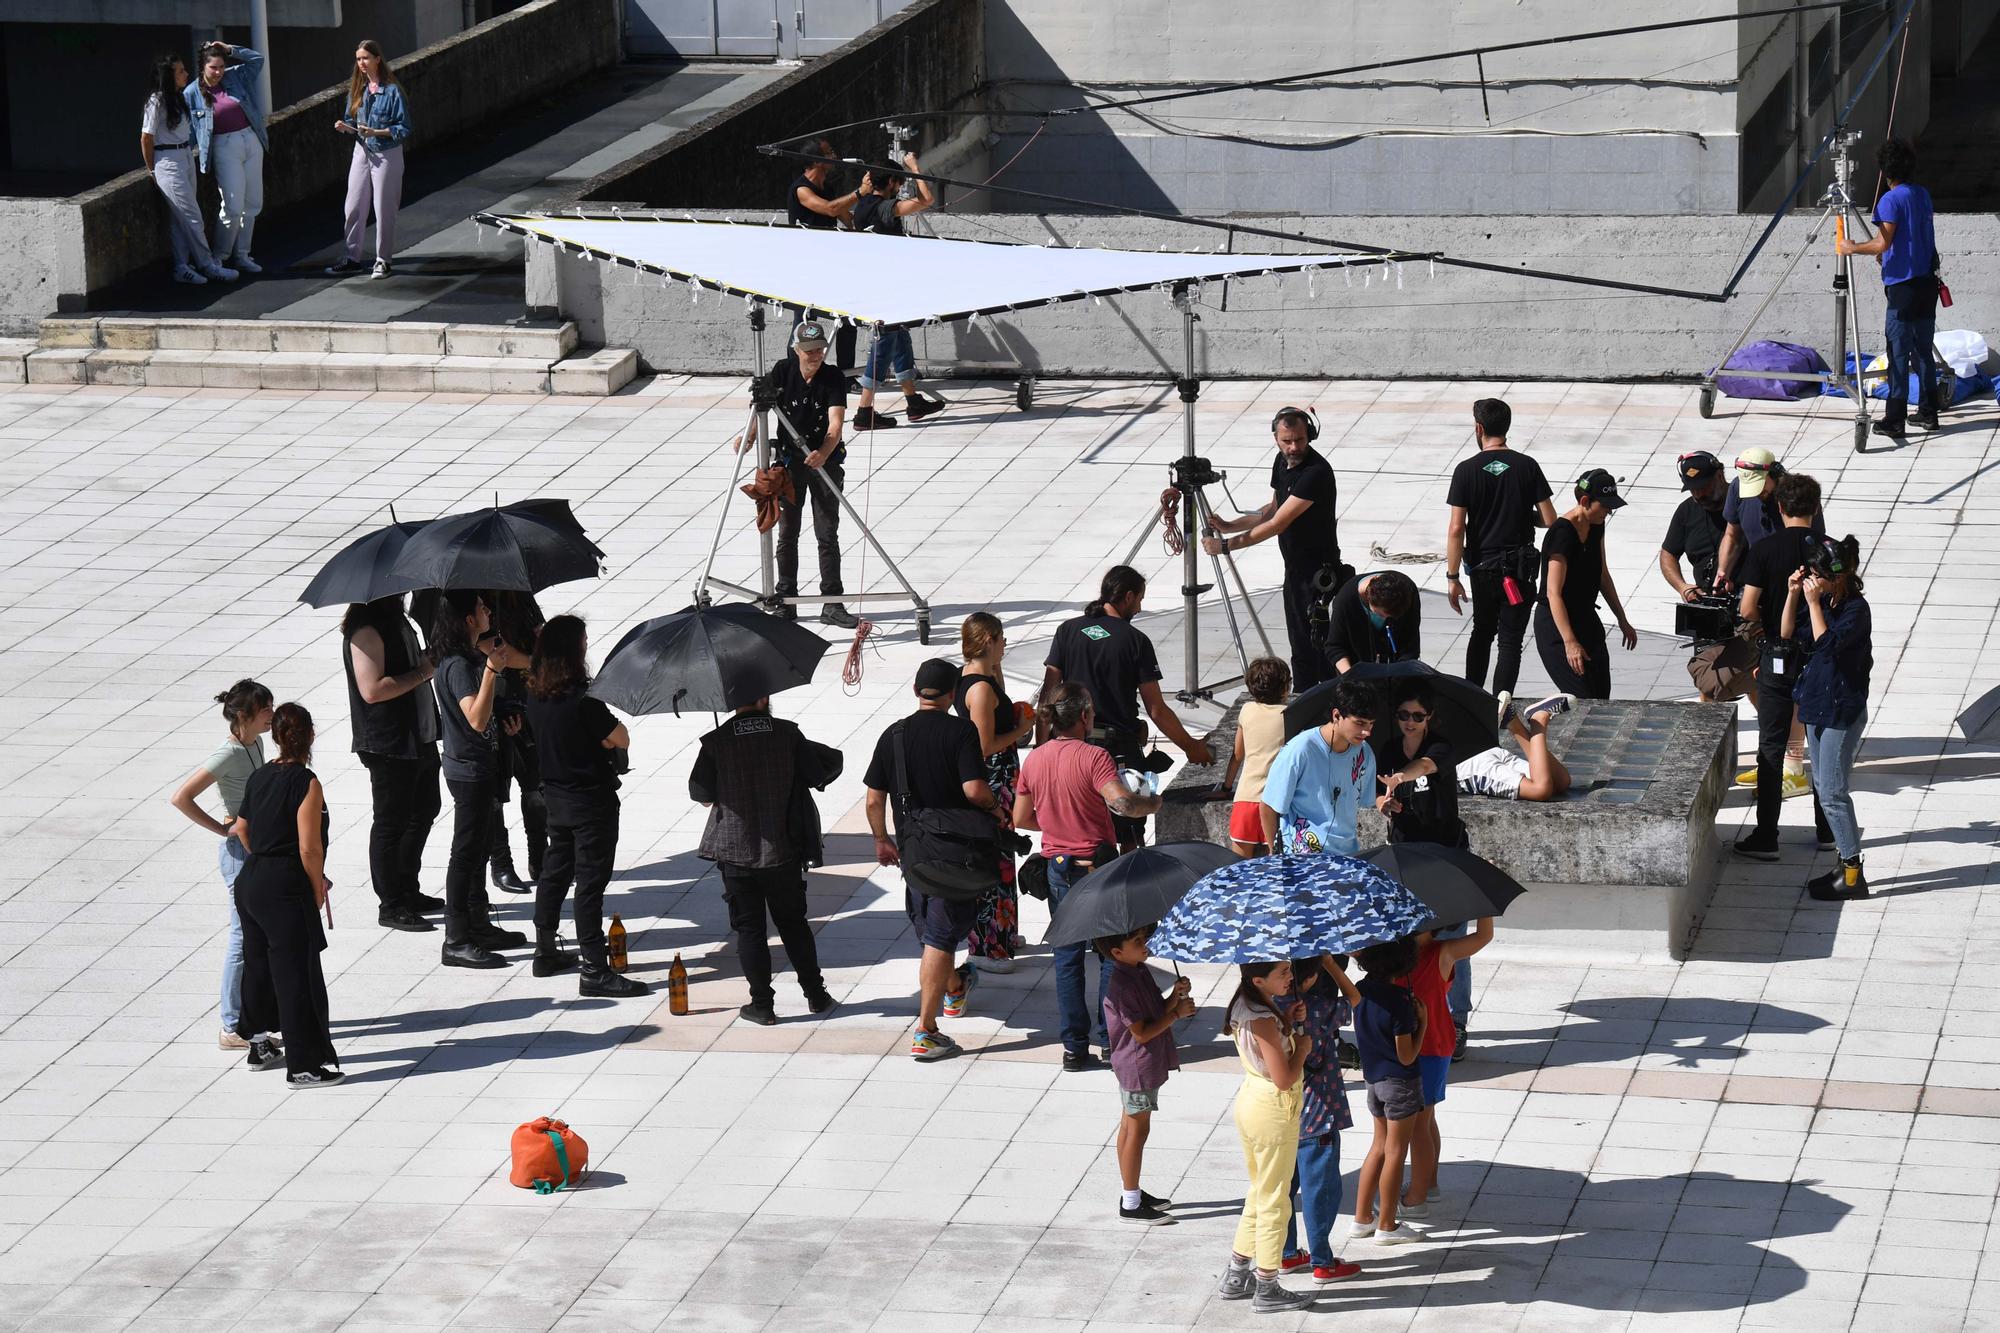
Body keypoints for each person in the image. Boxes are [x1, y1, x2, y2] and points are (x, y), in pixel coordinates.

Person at [1015, 683, 1162, 1072]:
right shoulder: (1094, 757)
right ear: (1083, 716)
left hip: (1057, 866)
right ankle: (1110, 1039)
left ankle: (1073, 1049)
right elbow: (1121, 802)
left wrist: (1054, 823)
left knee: (1066, 959)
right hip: (1096, 867)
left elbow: (1021, 818)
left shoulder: (1035, 759)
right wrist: (1151, 803)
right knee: (1111, 954)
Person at [865, 659, 998, 1061]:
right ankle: (926, 1029)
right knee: (940, 937)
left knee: (930, 930)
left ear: (916, 691)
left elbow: (874, 798)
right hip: (955, 852)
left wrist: (882, 839)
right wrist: (995, 807)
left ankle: (955, 988)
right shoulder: (960, 731)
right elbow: (974, 790)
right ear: (953, 694)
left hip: (914, 851)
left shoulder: (895, 734)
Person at [1040, 566, 1215, 850]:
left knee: (1075, 829)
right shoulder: (1135, 641)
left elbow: (1047, 696)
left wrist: (1042, 749)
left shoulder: (1067, 631)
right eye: (1139, 600)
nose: (1140, 607)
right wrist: (1190, 746)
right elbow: (1156, 709)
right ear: (1128, 596)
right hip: (1117, 752)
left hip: (1070, 748)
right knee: (1129, 835)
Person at [691, 698, 843, 1023]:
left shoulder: (716, 741)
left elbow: (701, 794)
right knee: (793, 925)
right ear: (764, 700)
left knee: (750, 930)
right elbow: (817, 774)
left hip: (734, 852)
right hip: (782, 848)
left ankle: (762, 1005)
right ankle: (815, 994)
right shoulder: (788, 734)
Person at [521, 615, 646, 998]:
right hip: (591, 802)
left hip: (555, 799)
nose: (588, 644)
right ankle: (594, 967)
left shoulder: (535, 692)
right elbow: (620, 737)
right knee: (590, 884)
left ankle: (545, 950)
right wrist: (607, 740)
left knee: (555, 873)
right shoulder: (583, 699)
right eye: (584, 640)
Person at [230, 704, 341, 1088]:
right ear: (310, 735)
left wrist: (263, 861)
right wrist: (315, 889)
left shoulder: (260, 776)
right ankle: (304, 1066)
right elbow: (310, 848)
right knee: (298, 976)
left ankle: (258, 1044)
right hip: (285, 885)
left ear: (275, 736)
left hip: (252, 880)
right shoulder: (306, 782)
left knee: (258, 964)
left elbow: (242, 829)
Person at [1201, 407, 1345, 691]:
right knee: (1300, 646)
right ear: (1276, 439)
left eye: (1300, 440)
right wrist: (1231, 525)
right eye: (1287, 441)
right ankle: (1303, 699)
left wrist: (1226, 546)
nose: (1294, 447)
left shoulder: (1315, 473)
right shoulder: (1282, 463)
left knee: (1320, 646)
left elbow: (1279, 523)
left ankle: (1326, 701)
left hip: (1318, 575)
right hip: (1294, 571)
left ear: (1310, 436)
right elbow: (1274, 508)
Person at [1733, 473, 1835, 862]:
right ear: (1816, 507)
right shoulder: (1830, 550)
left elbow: (1747, 608)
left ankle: (1767, 835)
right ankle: (1827, 829)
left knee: (1772, 748)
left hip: (1777, 656)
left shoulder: (1763, 549)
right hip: (1820, 657)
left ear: (1779, 507)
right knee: (1821, 746)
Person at [734, 320, 858, 630]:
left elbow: (835, 424)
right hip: (789, 464)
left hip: (823, 462)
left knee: (827, 533)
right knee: (787, 532)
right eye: (808, 352)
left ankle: (832, 601)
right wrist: (748, 438)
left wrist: (825, 453)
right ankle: (785, 599)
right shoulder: (782, 371)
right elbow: (761, 411)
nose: (814, 357)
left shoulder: (831, 378)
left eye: (819, 351)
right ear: (796, 350)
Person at [169, 680, 273, 1050]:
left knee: (257, 934)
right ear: (244, 716)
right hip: (238, 853)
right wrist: (221, 828)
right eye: (265, 711)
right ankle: (231, 1026)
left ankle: (254, 1013)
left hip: (257, 846)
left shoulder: (256, 743)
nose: (271, 717)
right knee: (241, 936)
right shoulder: (226, 754)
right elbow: (181, 797)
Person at [431, 591, 531, 969]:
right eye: (481, 608)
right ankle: (456, 939)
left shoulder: (469, 656)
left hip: (481, 764)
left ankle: (477, 923)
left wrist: (505, 717)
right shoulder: (458, 664)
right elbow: (473, 717)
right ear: (468, 619)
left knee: (479, 847)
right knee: (466, 854)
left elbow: (484, 714)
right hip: (468, 770)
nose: (488, 611)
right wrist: (493, 670)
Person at [1214, 959, 1316, 1313]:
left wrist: (1290, 1021)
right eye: (1283, 973)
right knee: (1276, 1200)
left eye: (1289, 970)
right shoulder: (1261, 1017)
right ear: (1259, 979)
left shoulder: (1249, 1004)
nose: (1291, 976)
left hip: (1253, 1103)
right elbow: (1284, 1078)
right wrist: (1302, 1048)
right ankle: (1268, 1285)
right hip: (1273, 1110)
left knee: (1260, 1192)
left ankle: (1237, 1272)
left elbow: (1267, 1047)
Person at [342, 595, 443, 933]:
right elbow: (372, 690)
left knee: (426, 809)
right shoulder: (366, 630)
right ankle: (391, 902)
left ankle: (407, 887)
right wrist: (422, 671)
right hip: (389, 743)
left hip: (420, 735)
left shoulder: (398, 621)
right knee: (391, 822)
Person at [1444, 398, 1556, 696]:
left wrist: (1452, 578)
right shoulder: (1527, 466)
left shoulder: (1465, 470)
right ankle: (1501, 704)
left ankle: (1471, 699)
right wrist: (1520, 512)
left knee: (1482, 632)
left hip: (1483, 569)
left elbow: (1457, 529)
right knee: (1510, 642)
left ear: (1478, 428)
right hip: (1519, 570)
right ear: (1506, 427)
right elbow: (1549, 519)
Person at [1836, 137, 1940, 440]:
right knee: (1923, 351)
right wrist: (1887, 252)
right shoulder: (1921, 194)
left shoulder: (1889, 200)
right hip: (1926, 283)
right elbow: (1910, 237)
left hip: (1903, 288)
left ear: (1884, 170)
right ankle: (1928, 413)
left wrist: (1851, 247)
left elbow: (1883, 242)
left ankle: (1894, 418)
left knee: (1897, 351)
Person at [1790, 536, 1873, 899]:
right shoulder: (1825, 600)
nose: (1813, 580)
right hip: (1816, 705)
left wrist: (1812, 603)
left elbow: (1828, 644)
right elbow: (1789, 634)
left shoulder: (1856, 609)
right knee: (1824, 789)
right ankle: (1844, 863)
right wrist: (1796, 596)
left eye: (1817, 575)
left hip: (1842, 710)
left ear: (1835, 576)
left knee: (1835, 794)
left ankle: (1852, 872)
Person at [1097, 925, 1193, 1226]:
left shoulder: (1138, 971)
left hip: (1138, 1064)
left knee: (1129, 1126)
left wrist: (1175, 997)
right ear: (1116, 952)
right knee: (1137, 1131)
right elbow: (1141, 1032)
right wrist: (1177, 1014)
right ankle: (1131, 1201)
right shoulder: (1121, 985)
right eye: (1137, 941)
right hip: (1137, 1065)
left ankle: (1133, 1190)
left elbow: (1154, 1012)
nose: (1145, 943)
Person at [1394, 920, 1492, 1215]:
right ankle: (1429, 1184)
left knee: (1419, 1124)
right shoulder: (1393, 953)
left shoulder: (1444, 951)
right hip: (1414, 1045)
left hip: (1432, 1045)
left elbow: (1484, 936)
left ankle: (1416, 1198)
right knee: (1427, 1116)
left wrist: (1484, 909)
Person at [955, 613, 1035, 972]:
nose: (1005, 645)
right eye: (1001, 639)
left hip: (1001, 780)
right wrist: (1021, 730)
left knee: (1004, 855)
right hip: (994, 780)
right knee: (997, 859)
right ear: (988, 639)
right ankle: (989, 947)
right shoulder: (981, 688)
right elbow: (984, 746)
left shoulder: (980, 678)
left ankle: (1004, 932)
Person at [1280, 955, 1363, 1285]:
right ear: (1312, 977)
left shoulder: (1268, 1008)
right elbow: (1356, 1000)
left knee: (1285, 1188)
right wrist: (1332, 964)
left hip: (1281, 1116)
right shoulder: (1318, 1007)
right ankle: (1322, 1261)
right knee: (1320, 1190)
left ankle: (1285, 1253)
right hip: (1318, 1113)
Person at [850, 153, 944, 431]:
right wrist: (915, 169)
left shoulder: (862, 207)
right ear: (891, 181)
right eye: (899, 183)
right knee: (884, 345)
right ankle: (864, 412)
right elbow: (926, 201)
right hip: (886, 288)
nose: (900, 188)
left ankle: (913, 401)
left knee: (901, 338)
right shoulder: (883, 208)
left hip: (877, 283)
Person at [1533, 469, 1637, 700]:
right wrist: (1570, 642)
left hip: (1586, 618)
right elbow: (1553, 593)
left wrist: (1622, 619)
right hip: (1556, 624)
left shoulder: (1595, 524)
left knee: (1600, 693)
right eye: (1606, 505)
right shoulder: (1561, 534)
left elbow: (1602, 575)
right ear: (1585, 501)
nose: (1609, 512)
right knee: (1579, 696)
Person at [1348, 936, 1426, 1245]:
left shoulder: (1360, 990)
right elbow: (1406, 1055)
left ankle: (1361, 1218)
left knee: (1378, 1147)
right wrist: (1424, 1024)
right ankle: (1387, 1224)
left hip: (1373, 1081)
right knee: (1396, 1152)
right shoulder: (1400, 1003)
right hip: (1400, 1084)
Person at [142, 54, 234, 285]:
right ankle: (207, 264)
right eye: (180, 71)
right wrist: (151, 169)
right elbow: (146, 137)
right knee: (192, 217)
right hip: (168, 159)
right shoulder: (157, 100)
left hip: (184, 155)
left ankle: (182, 266)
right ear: (169, 76)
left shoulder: (178, 98)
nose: (185, 74)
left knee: (180, 218)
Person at [1260, 677, 1378, 856]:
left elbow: (1364, 800)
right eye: (1360, 723)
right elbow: (1268, 807)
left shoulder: (1365, 753)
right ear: (1337, 715)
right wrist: (1274, 853)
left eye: (1371, 724)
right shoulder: (1300, 750)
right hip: (1301, 857)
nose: (1367, 732)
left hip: (1347, 856)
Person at [326, 41, 411, 280]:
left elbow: (403, 128)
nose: (361, 63)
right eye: (358, 59)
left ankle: (383, 260)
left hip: (387, 153)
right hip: (361, 150)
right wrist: (345, 127)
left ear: (377, 59)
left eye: (365, 58)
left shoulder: (392, 90)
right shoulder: (358, 89)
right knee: (353, 205)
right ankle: (352, 257)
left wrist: (378, 132)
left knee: (384, 208)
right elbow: (351, 120)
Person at [183, 42, 266, 275]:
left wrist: (230, 49)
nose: (218, 72)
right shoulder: (192, 92)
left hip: (250, 138)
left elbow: (257, 60)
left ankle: (242, 254)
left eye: (221, 66)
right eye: (213, 68)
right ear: (203, 67)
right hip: (223, 145)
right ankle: (219, 256)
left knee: (252, 202)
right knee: (232, 205)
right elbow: (190, 130)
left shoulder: (234, 77)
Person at [485, 590, 546, 895]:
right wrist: (535, 660)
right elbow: (498, 653)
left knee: (535, 786)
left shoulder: (520, 597)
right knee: (496, 792)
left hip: (526, 697)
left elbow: (539, 638)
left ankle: (539, 855)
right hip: (491, 702)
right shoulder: (477, 603)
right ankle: (501, 864)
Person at [785, 139, 859, 371]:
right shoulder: (802, 189)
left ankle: (846, 373)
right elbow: (829, 209)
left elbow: (844, 215)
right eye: (830, 153)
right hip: (808, 267)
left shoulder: (828, 188)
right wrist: (860, 192)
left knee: (848, 319)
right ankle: (794, 372)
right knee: (805, 323)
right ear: (817, 161)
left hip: (831, 263)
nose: (835, 157)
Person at [1715, 447, 1823, 589]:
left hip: (1794, 582)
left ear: (1774, 473)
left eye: (1761, 485)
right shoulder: (1737, 487)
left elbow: (1815, 540)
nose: (1756, 493)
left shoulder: (1798, 495)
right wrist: (1723, 570)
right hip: (1757, 577)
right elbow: (1732, 535)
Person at [1224, 656, 1291, 856]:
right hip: (1275, 802)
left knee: (1240, 871)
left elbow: (1237, 755)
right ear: (1284, 688)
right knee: (1276, 868)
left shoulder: (1247, 710)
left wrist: (1226, 787)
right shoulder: (1289, 714)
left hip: (1245, 799)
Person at [1456, 697, 1575, 806]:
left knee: (1540, 789)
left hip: (1468, 768)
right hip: (1483, 750)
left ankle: (1539, 720)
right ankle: (1512, 722)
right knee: (1561, 780)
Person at [1322, 570, 1421, 676]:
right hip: (1356, 669)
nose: (1386, 619)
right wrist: (1350, 676)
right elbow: (1335, 647)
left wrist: (1401, 673)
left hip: (1397, 668)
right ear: (1368, 597)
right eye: (1381, 615)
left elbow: (1410, 642)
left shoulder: (1407, 591)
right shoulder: (1345, 601)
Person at [1659, 451, 1729, 601]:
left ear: (1719, 476)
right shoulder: (1686, 511)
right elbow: (1668, 554)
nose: (1698, 495)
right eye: (1693, 489)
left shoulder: (1744, 504)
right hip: (1705, 601)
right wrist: (1682, 587)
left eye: (1703, 487)